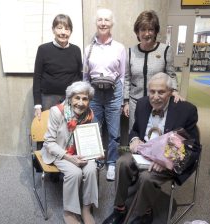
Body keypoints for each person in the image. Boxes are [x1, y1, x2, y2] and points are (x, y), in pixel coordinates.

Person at [103, 72, 201, 224]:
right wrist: (135, 139)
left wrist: (167, 159)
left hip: (167, 158)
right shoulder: (142, 104)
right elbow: (135, 130)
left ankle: (144, 213)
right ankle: (119, 209)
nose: (155, 96)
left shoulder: (186, 110)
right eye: (152, 91)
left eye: (161, 92)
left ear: (170, 92)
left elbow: (193, 147)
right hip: (143, 152)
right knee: (121, 162)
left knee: (146, 177)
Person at [41, 81, 97, 224]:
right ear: (70, 98)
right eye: (77, 98)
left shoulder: (89, 114)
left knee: (91, 168)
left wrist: (96, 150)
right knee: (75, 173)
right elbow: (49, 142)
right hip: (58, 151)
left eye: (85, 99)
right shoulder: (56, 112)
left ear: (89, 101)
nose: (80, 102)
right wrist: (69, 158)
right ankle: (70, 212)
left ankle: (86, 208)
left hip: (79, 151)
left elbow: (89, 137)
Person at [83, 8, 126, 181]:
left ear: (111, 23)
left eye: (106, 20)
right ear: (96, 23)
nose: (103, 23)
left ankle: (112, 163)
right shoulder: (88, 49)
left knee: (114, 132)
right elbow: (85, 75)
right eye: (100, 20)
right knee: (94, 129)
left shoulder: (119, 48)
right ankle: (98, 160)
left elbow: (123, 76)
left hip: (114, 94)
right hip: (94, 94)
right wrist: (86, 96)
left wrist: (122, 99)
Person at [123, 10, 184, 131]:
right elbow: (127, 78)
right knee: (136, 133)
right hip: (136, 102)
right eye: (143, 30)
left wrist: (175, 91)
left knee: (156, 134)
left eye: (150, 29)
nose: (146, 34)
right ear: (137, 32)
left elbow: (171, 74)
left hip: (158, 101)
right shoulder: (130, 52)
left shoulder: (165, 50)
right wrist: (126, 102)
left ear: (155, 31)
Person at [33, 14, 82, 120]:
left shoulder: (76, 50)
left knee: (69, 129)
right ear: (53, 30)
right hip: (49, 99)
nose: (63, 32)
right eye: (59, 28)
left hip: (70, 99)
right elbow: (37, 77)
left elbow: (80, 76)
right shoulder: (43, 49)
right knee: (50, 131)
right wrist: (37, 104)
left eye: (67, 29)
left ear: (70, 32)